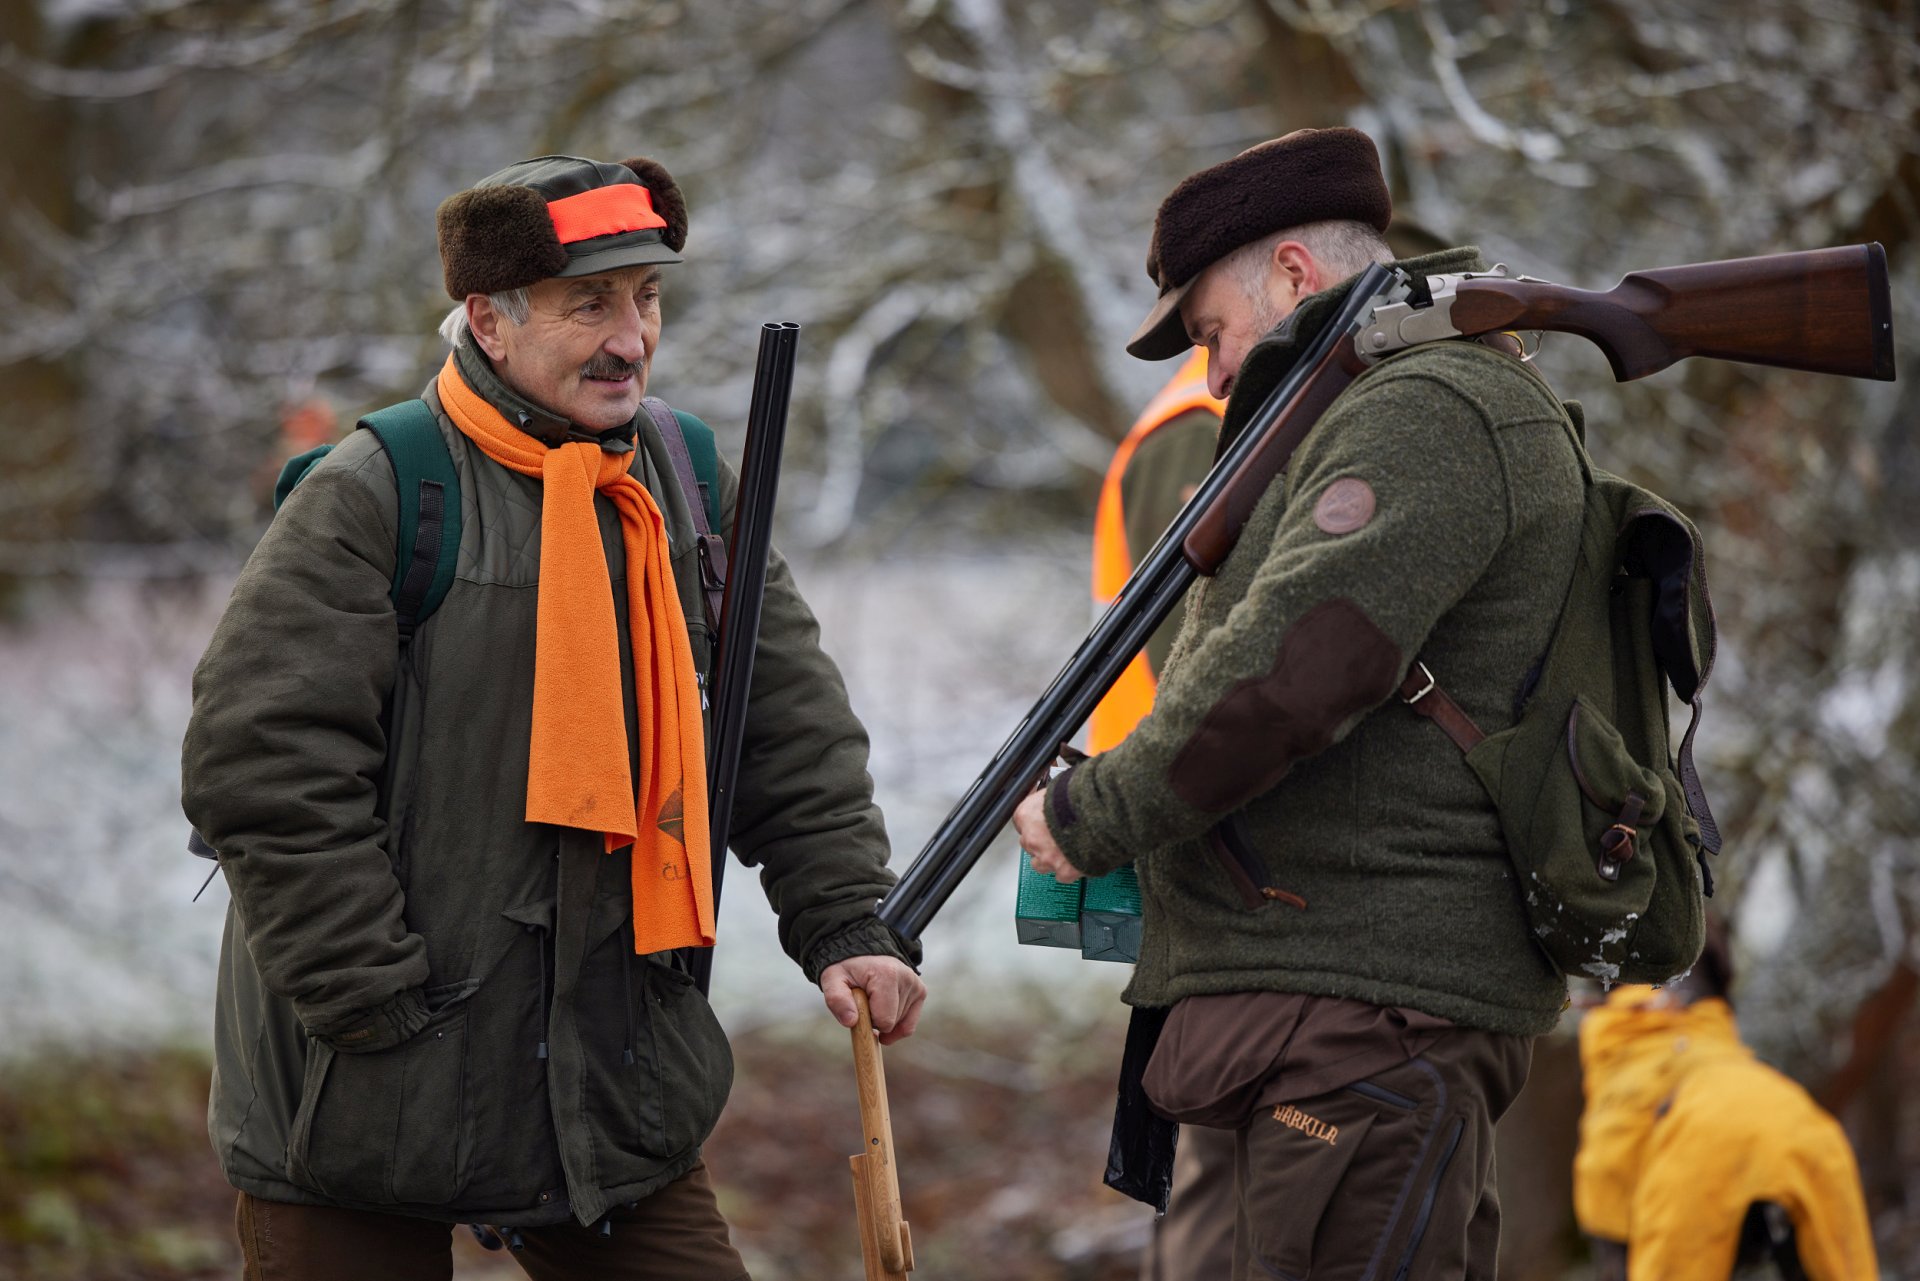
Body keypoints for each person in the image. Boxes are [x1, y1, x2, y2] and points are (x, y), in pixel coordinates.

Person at [182, 153, 925, 1281]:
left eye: (648, 298)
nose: (632, 339)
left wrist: (845, 922)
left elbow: (786, 724)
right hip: (362, 1097)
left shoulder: (682, 478)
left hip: (608, 1087)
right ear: (488, 319)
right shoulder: (373, 491)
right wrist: (375, 1004)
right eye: (590, 305)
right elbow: (260, 764)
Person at [1013, 125, 1586, 1279]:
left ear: (1291, 272)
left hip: (1364, 1019)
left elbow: (1299, 669)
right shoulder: (1381, 407)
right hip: (1329, 1012)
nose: (1214, 375)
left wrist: (1093, 814)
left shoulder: (1425, 410)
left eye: (1212, 332)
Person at [1575, 929, 1879, 1281]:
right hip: (1804, 1128)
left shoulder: (1619, 1054)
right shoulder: (1737, 1059)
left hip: (1696, 1160)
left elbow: (1608, 1207)